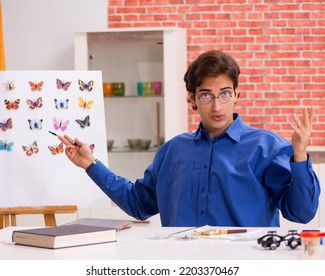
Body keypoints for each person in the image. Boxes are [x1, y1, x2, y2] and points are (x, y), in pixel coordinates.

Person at [59, 50, 320, 227]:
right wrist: (91, 165)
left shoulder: (267, 148)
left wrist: (299, 155)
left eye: (225, 94)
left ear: (237, 95)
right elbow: (138, 204)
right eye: (206, 95)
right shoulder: (172, 151)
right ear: (192, 99)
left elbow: (302, 212)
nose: (217, 106)